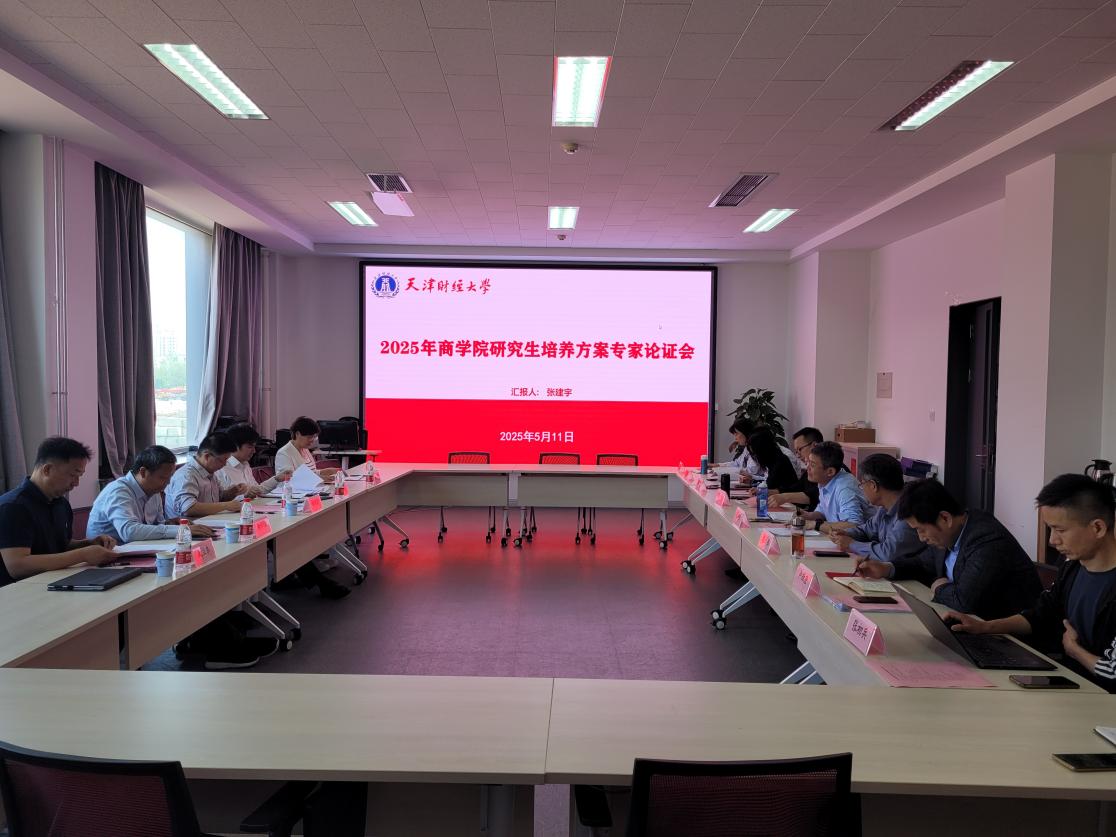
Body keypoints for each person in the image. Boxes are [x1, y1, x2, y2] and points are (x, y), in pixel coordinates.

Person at [945, 475, 1116, 692]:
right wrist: (984, 627)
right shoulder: (1072, 567)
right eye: (1050, 529)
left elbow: (1113, 673)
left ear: (1098, 528)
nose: (1052, 540)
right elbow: (1041, 615)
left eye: (1060, 530)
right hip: (1070, 685)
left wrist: (1074, 650)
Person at [856, 478, 1042, 619]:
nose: (921, 538)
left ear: (945, 518)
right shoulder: (950, 534)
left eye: (921, 529)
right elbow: (923, 564)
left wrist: (940, 587)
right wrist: (886, 568)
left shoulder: (986, 540)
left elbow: (964, 601)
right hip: (969, 624)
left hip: (1010, 638)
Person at [0, 437, 118, 585]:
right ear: (47, 470)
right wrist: (83, 554)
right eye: (73, 475)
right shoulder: (13, 506)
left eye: (79, 476)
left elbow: (60, 545)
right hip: (19, 590)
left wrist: (89, 543)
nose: (76, 483)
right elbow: (17, 565)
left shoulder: (61, 504)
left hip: (56, 581)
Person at [88, 445, 214, 543]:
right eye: (163, 478)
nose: (168, 483)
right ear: (143, 472)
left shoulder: (154, 491)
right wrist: (180, 530)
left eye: (170, 477)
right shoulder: (118, 492)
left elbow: (157, 525)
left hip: (137, 551)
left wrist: (170, 523)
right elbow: (130, 532)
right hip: (107, 558)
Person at [831, 454, 937, 565]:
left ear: (873, 485)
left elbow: (888, 554)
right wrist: (846, 533)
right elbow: (867, 530)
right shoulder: (884, 508)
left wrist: (851, 544)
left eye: (862, 484)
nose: (862, 489)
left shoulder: (908, 512)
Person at [165, 433, 246, 520]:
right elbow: (188, 508)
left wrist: (232, 492)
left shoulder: (210, 472)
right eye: (223, 460)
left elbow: (219, 498)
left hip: (208, 521)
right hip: (187, 526)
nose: (225, 464)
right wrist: (226, 506)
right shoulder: (186, 475)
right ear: (207, 456)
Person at [800, 441, 868, 528]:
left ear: (830, 471)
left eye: (812, 465)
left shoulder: (845, 489)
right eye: (808, 462)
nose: (807, 467)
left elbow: (854, 525)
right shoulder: (825, 481)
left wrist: (816, 525)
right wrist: (808, 516)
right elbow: (823, 511)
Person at [219, 424, 291, 499]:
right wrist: (244, 496)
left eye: (254, 446)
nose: (254, 451)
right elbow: (221, 499)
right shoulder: (222, 468)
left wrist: (277, 479)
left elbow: (257, 490)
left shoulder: (245, 464)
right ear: (234, 446)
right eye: (250, 447)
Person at [767, 427, 822, 512]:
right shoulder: (809, 469)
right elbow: (796, 488)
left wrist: (785, 497)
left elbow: (816, 494)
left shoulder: (831, 467)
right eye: (796, 451)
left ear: (814, 445)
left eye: (800, 449)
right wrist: (771, 492)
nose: (798, 455)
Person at [275, 416, 338, 481]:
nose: (312, 440)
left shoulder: (305, 449)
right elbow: (289, 479)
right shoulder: (284, 453)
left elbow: (311, 473)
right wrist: (320, 479)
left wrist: (328, 471)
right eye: (309, 437)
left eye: (314, 437)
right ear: (297, 434)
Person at [744, 427, 798, 493]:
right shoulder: (773, 460)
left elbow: (772, 485)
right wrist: (753, 482)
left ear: (762, 451)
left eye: (756, 453)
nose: (755, 457)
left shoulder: (780, 461)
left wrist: (760, 490)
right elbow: (768, 481)